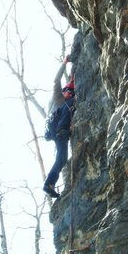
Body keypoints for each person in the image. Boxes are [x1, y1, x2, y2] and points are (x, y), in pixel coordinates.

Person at [43, 55, 75, 198]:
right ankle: (64, 130)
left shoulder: (65, 104)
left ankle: (49, 184)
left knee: (62, 158)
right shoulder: (58, 96)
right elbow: (56, 80)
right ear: (63, 90)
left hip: (57, 132)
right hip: (57, 126)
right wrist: (64, 64)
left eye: (72, 92)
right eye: (68, 91)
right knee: (71, 104)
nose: (70, 94)